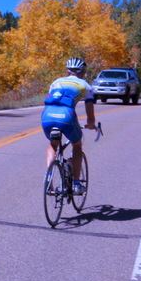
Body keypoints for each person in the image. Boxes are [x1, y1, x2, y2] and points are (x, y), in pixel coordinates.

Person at [41, 57, 96, 195]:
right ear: (83, 72)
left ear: (67, 71)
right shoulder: (86, 86)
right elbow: (90, 112)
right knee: (77, 146)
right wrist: (91, 124)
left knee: (53, 144)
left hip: (47, 114)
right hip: (66, 115)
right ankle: (76, 184)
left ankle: (48, 176)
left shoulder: (56, 82)